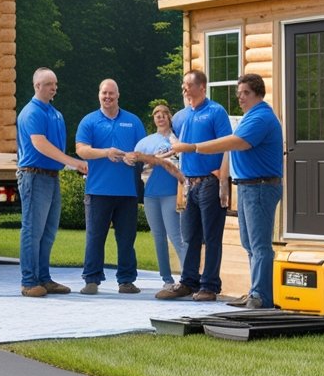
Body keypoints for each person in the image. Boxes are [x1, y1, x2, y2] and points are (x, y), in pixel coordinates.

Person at [174, 73, 284, 309]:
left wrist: (193, 147)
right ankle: (256, 291)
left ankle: (261, 296)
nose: (240, 98)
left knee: (260, 245)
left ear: (258, 93)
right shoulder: (249, 117)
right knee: (249, 243)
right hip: (247, 186)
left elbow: (235, 142)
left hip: (261, 187)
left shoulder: (261, 117)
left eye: (245, 93)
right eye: (239, 93)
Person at [155, 70, 232, 302]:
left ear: (202, 87)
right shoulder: (179, 116)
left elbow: (227, 147)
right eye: (183, 86)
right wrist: (166, 153)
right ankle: (188, 282)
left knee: (211, 236)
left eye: (188, 85)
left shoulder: (216, 112)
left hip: (210, 180)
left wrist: (223, 183)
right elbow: (180, 146)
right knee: (190, 236)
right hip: (189, 182)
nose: (184, 89)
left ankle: (209, 286)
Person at [16, 68, 88, 298]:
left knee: (48, 232)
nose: (54, 88)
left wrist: (67, 164)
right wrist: (72, 162)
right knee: (32, 230)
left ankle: (43, 278)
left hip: (50, 176)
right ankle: (29, 281)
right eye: (49, 84)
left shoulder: (54, 113)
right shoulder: (32, 112)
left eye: (55, 84)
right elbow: (40, 144)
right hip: (34, 176)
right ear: (37, 86)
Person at [74, 79, 147, 295]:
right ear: (99, 95)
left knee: (126, 239)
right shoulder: (89, 121)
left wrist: (135, 157)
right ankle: (91, 279)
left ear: (118, 95)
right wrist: (106, 152)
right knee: (95, 238)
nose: (108, 97)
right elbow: (81, 150)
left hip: (127, 192)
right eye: (104, 93)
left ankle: (126, 280)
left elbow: (143, 150)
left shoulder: (133, 122)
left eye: (111, 94)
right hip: (97, 191)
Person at [129, 102, 186, 291]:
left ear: (169, 117)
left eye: (164, 113)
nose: (160, 116)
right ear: (153, 119)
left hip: (170, 194)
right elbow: (136, 166)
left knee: (175, 235)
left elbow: (180, 166)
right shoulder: (144, 143)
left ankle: (188, 277)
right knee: (158, 236)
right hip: (151, 196)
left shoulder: (176, 140)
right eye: (156, 114)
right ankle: (167, 278)